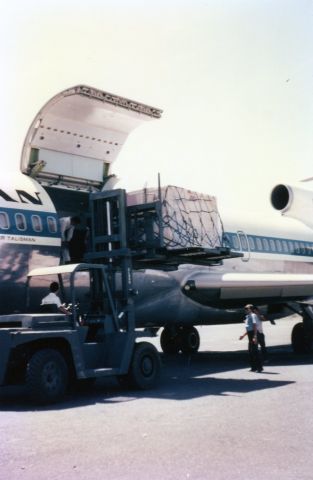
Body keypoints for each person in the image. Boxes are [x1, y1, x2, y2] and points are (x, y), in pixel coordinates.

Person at [239, 304, 263, 372]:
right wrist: (243, 335)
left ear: (251, 309)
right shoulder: (247, 316)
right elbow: (248, 328)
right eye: (245, 308)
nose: (245, 309)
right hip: (250, 333)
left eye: (247, 308)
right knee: (250, 351)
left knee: (255, 351)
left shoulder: (253, 315)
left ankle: (259, 367)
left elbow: (255, 326)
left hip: (254, 333)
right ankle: (253, 367)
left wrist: (255, 336)